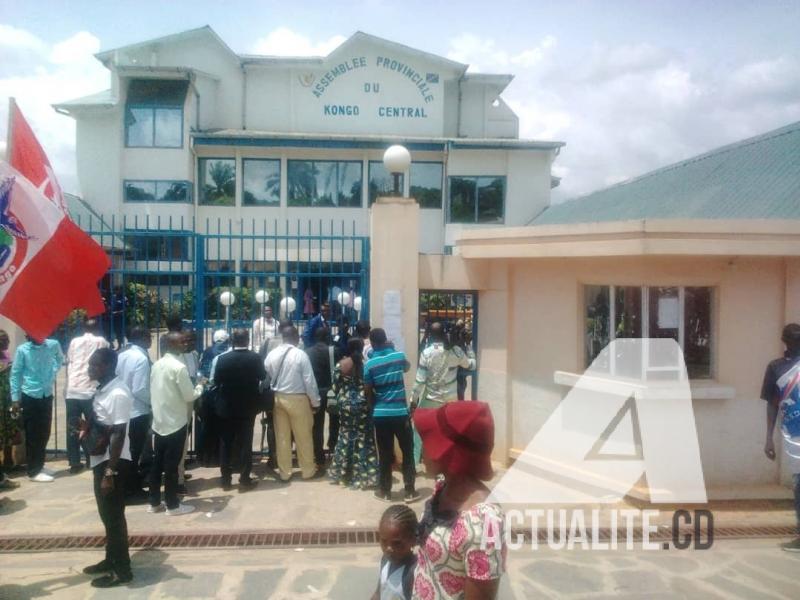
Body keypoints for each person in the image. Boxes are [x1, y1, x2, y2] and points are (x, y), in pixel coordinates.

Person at [412, 402, 506, 599]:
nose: (422, 451)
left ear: (448, 453)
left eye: (429, 441)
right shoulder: (442, 488)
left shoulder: (483, 522)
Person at [81, 348, 134, 588]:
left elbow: (120, 434)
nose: (90, 369)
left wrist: (109, 473)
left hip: (113, 463)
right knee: (107, 516)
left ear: (109, 366)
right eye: (90, 365)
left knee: (114, 518)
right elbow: (106, 426)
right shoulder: (103, 389)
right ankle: (110, 559)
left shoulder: (119, 393)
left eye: (95, 365)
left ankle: (122, 571)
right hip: (101, 460)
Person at [363, 328, 418, 504]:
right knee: (408, 451)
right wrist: (392, 349)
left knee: (385, 454)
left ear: (371, 343)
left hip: (381, 415)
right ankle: (410, 491)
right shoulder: (398, 356)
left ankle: (385, 491)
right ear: (386, 340)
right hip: (401, 414)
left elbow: (367, 392)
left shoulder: (369, 365)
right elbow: (407, 367)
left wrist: (373, 411)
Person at [411, 322, 477, 464]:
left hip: (430, 399)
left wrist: (413, 400)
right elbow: (472, 365)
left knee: (418, 429)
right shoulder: (456, 351)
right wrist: (469, 346)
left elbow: (420, 381)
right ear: (443, 334)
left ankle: (414, 462)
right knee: (450, 430)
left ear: (430, 335)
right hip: (450, 400)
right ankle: (450, 461)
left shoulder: (427, 353)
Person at [148, 332, 198, 516]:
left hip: (159, 421)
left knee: (157, 463)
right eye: (181, 342)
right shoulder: (179, 367)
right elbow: (189, 395)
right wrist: (200, 385)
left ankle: (154, 502)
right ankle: (173, 505)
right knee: (171, 466)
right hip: (176, 423)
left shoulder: (157, 365)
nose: (185, 344)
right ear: (171, 345)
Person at [265, 325, 322, 481]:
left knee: (282, 437)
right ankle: (308, 471)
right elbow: (309, 381)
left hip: (278, 398)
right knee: (303, 437)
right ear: (295, 337)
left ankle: (285, 473)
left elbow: (267, 374)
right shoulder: (300, 355)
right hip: (298, 399)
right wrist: (315, 402)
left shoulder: (272, 354)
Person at [212, 328, 266, 491]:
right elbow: (263, 377)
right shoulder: (255, 358)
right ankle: (244, 478)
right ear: (247, 340)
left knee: (226, 443)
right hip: (247, 408)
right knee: (245, 443)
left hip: (226, 407)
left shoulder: (222, 359)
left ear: (232, 341)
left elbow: (216, 380)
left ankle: (226, 479)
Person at [762, 322, 800, 552]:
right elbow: (772, 405)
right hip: (794, 436)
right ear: (785, 342)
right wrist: (769, 438)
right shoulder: (776, 368)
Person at [10, 334, 63, 482]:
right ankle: (33, 471)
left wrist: (53, 371)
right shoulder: (23, 350)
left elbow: (60, 359)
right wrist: (15, 399)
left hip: (46, 394)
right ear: (28, 334)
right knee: (33, 434)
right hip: (30, 395)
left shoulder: (53, 344)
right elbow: (15, 374)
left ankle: (39, 464)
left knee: (45, 432)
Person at [328, 337, 378, 489]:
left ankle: (343, 473)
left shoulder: (341, 364)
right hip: (363, 405)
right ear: (362, 346)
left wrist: (344, 397)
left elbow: (335, 387)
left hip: (346, 405)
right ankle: (364, 474)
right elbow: (372, 385)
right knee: (364, 438)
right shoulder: (367, 364)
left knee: (345, 436)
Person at [65, 318, 110, 474]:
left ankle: (74, 462)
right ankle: (93, 458)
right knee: (92, 426)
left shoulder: (74, 342)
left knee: (73, 426)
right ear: (98, 327)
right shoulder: (102, 341)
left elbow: (70, 359)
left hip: (72, 388)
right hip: (89, 389)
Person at [116, 326, 152, 497]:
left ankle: (128, 485)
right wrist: (154, 402)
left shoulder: (121, 354)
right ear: (143, 338)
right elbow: (139, 389)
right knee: (134, 452)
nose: (151, 339)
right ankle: (131, 490)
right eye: (149, 335)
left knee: (126, 452)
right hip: (138, 411)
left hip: (122, 409)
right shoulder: (141, 358)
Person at [306, 326, 339, 466]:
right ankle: (333, 450)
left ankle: (318, 455)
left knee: (317, 426)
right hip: (332, 392)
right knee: (335, 422)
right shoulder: (334, 351)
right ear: (327, 337)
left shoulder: (307, 352)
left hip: (315, 392)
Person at [370, 504, 418, 600]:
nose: (388, 549)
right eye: (383, 541)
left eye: (397, 543)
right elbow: (379, 592)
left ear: (413, 540)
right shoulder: (385, 560)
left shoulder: (413, 573)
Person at [0, 330, 20, 490]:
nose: (6, 342)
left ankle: (7, 466)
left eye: (6, 339)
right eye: (2, 340)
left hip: (7, 403)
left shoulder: (7, 356)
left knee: (9, 434)